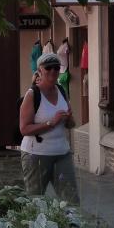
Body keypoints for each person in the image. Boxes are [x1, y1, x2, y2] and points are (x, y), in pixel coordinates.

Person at [19, 53, 79, 204]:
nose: (53, 71)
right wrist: (50, 123)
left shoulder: (62, 91)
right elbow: (24, 129)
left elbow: (71, 125)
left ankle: (71, 227)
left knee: (71, 201)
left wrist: (69, 119)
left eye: (56, 68)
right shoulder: (32, 94)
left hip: (62, 152)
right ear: (40, 70)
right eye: (48, 68)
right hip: (36, 154)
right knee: (35, 200)